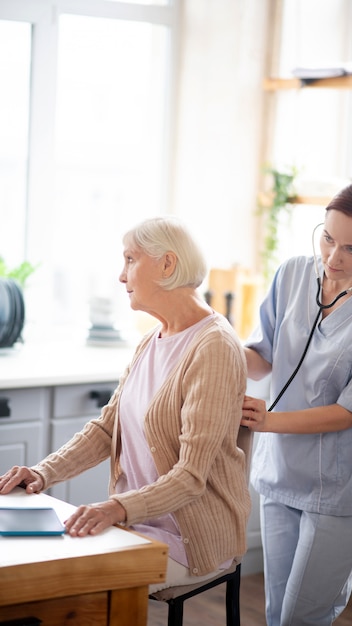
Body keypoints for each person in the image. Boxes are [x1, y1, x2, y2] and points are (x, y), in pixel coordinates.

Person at [0, 216, 250, 592]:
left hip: (189, 535)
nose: (121, 276)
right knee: (37, 569)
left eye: (130, 260)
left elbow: (190, 477)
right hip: (137, 522)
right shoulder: (153, 339)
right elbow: (105, 429)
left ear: (167, 264)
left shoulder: (214, 346)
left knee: (68, 584)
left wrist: (116, 508)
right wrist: (42, 473)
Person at [241, 180, 352, 625]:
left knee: (304, 616)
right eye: (328, 238)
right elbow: (260, 357)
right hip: (281, 475)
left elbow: (350, 413)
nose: (333, 258)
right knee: (278, 612)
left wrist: (268, 421)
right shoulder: (292, 275)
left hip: (338, 489)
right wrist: (209, 342)